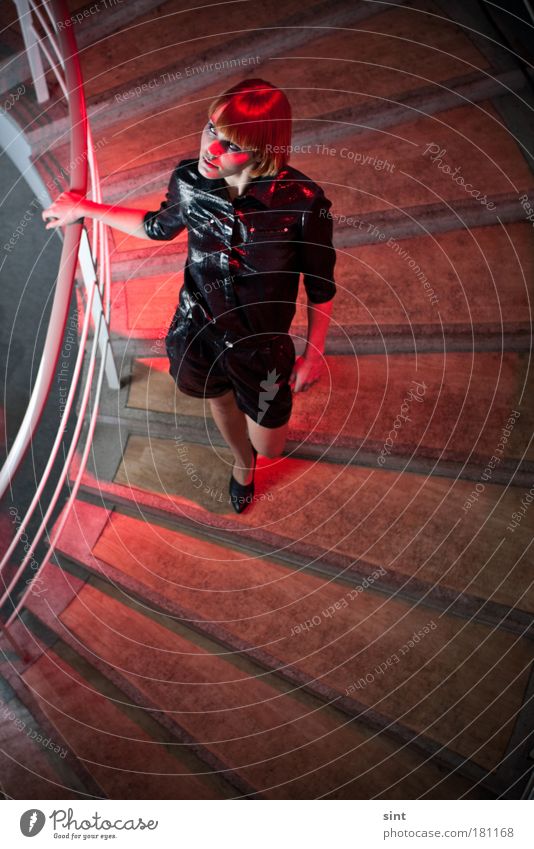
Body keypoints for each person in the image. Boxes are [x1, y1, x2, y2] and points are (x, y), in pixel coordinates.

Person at [42, 78, 337, 513]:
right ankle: (242, 466)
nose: (211, 151)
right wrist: (85, 208)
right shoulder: (190, 180)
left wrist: (312, 354)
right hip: (197, 331)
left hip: (260, 349)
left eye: (231, 145)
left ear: (263, 150)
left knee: (271, 445)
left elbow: (320, 284)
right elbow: (158, 226)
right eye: (211, 130)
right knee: (217, 398)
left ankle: (255, 452)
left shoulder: (304, 204)